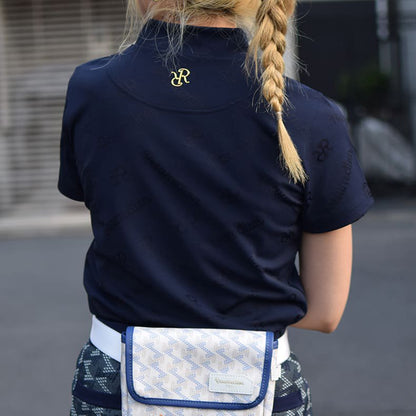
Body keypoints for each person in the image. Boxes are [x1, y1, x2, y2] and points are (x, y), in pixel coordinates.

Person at [57, 0, 375, 415]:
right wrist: (225, 315)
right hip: (258, 382)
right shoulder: (313, 116)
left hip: (115, 380)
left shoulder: (92, 90)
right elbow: (325, 312)